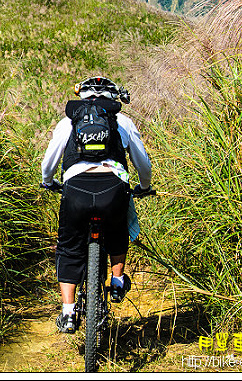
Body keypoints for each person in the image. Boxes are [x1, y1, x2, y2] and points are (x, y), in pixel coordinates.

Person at [40, 76, 152, 334]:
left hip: (76, 189)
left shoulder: (69, 121)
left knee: (68, 248)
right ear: (113, 98)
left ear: (83, 96)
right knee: (118, 232)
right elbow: (142, 164)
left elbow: (49, 162)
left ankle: (68, 312)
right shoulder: (121, 121)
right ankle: (117, 280)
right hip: (113, 189)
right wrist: (144, 187)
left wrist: (49, 182)